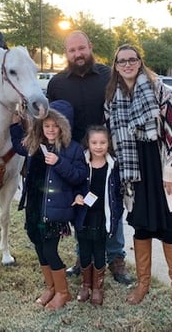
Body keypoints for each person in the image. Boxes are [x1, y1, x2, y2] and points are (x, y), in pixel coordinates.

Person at [105, 44, 172, 311]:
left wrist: (170, 170)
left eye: (132, 60)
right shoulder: (111, 98)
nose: (127, 65)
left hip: (161, 165)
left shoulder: (158, 89)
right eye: (122, 61)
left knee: (170, 227)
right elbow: (109, 136)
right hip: (132, 171)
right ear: (116, 66)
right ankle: (143, 284)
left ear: (140, 62)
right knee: (140, 227)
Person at [46, 31, 133, 285]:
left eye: (81, 48)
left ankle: (116, 257)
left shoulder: (109, 76)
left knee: (111, 203)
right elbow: (52, 122)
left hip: (107, 152)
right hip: (75, 157)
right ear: (67, 53)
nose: (77, 54)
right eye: (72, 50)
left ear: (90, 47)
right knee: (80, 203)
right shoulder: (57, 83)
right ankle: (81, 257)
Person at [9, 100, 87, 311]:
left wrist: (59, 163)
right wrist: (16, 123)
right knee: (39, 248)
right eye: (47, 126)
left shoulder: (72, 149)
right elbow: (18, 145)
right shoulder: (36, 145)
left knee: (50, 251)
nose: (51, 130)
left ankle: (63, 292)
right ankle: (51, 287)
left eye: (55, 126)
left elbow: (80, 177)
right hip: (35, 209)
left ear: (63, 126)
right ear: (40, 126)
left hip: (54, 212)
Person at [72, 125, 123, 306]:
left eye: (102, 142)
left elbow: (118, 193)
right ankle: (86, 285)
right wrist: (76, 196)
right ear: (88, 143)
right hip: (84, 215)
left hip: (103, 216)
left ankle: (98, 287)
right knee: (84, 249)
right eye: (94, 142)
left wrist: (116, 213)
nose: (98, 146)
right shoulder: (82, 163)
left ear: (108, 144)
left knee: (99, 250)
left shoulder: (113, 166)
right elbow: (75, 183)